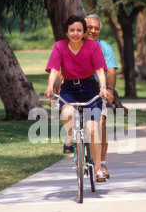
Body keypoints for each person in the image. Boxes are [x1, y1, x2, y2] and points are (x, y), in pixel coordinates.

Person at [44, 14, 108, 182]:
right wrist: (51, 88)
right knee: (67, 114)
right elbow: (54, 70)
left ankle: (99, 170)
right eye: (72, 30)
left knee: (93, 129)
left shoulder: (93, 46)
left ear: (84, 32)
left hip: (91, 89)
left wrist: (103, 87)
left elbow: (100, 69)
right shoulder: (59, 47)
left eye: (79, 30)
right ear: (66, 32)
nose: (75, 33)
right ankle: (71, 138)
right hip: (69, 89)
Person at [85, 14, 118, 179]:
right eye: (89, 27)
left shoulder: (104, 47)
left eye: (96, 28)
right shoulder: (75, 45)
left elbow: (111, 70)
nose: (92, 31)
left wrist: (110, 90)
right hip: (79, 90)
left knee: (101, 124)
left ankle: (102, 163)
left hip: (99, 91)